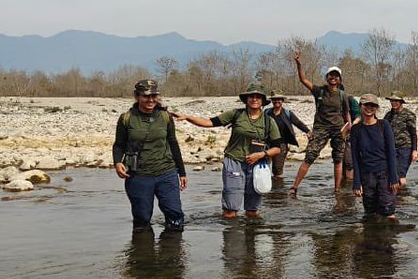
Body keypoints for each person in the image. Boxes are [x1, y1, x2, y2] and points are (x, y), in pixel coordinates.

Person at [174, 86, 282, 219]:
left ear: (263, 101)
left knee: (252, 212)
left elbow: (277, 148)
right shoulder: (235, 114)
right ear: (246, 99)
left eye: (258, 97)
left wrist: (261, 155)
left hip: (257, 166)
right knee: (230, 211)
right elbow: (209, 122)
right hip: (234, 162)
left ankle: (252, 237)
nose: (254, 99)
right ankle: (232, 237)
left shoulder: (269, 121)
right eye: (251, 96)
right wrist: (187, 117)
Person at [113, 79, 187, 230]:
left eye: (154, 96)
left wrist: (182, 172)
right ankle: (142, 251)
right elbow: (119, 145)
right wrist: (117, 162)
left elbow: (173, 143)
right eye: (146, 96)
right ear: (137, 96)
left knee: (175, 214)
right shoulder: (126, 118)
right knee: (142, 218)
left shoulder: (165, 116)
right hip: (138, 175)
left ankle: (173, 251)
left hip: (166, 172)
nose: (151, 100)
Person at [289, 53, 352, 196]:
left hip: (338, 129)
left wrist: (349, 126)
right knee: (310, 156)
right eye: (331, 75)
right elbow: (303, 79)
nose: (333, 78)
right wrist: (299, 65)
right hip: (321, 128)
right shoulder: (319, 91)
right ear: (327, 77)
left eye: (336, 76)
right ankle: (294, 187)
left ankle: (337, 190)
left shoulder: (342, 95)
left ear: (339, 79)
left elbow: (346, 112)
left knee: (338, 158)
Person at [349, 94, 400, 220]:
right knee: (370, 213)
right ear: (360, 106)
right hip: (367, 176)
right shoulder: (356, 129)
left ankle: (390, 238)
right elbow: (355, 157)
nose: (369, 108)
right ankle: (372, 239)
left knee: (388, 212)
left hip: (385, 175)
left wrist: (394, 178)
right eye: (366, 105)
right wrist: (356, 183)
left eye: (373, 105)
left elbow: (391, 152)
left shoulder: (384, 125)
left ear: (376, 108)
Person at [267, 91, 310, 178]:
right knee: (264, 167)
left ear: (282, 101)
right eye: (274, 100)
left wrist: (308, 131)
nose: (276, 101)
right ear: (272, 101)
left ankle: (278, 190)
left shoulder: (287, 113)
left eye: (278, 99)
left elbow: (298, 123)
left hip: (281, 144)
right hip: (267, 143)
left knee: (277, 170)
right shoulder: (266, 112)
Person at [384, 91, 418, 186]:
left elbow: (413, 134)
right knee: (391, 174)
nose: (393, 103)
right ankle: (395, 197)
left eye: (396, 101)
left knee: (401, 175)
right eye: (392, 100)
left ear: (401, 102)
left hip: (405, 148)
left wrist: (414, 150)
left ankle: (403, 197)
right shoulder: (388, 116)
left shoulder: (409, 115)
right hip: (391, 148)